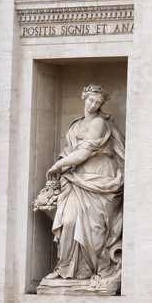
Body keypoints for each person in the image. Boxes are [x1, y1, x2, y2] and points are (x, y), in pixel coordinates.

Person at [45, 84, 124, 289]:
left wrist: (57, 166)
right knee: (69, 220)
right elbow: (69, 151)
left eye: (98, 103)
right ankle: (66, 268)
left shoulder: (99, 123)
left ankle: (87, 271)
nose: (93, 105)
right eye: (91, 100)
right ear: (84, 97)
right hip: (75, 178)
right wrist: (63, 165)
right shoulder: (75, 125)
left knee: (94, 229)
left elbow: (82, 154)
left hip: (98, 177)